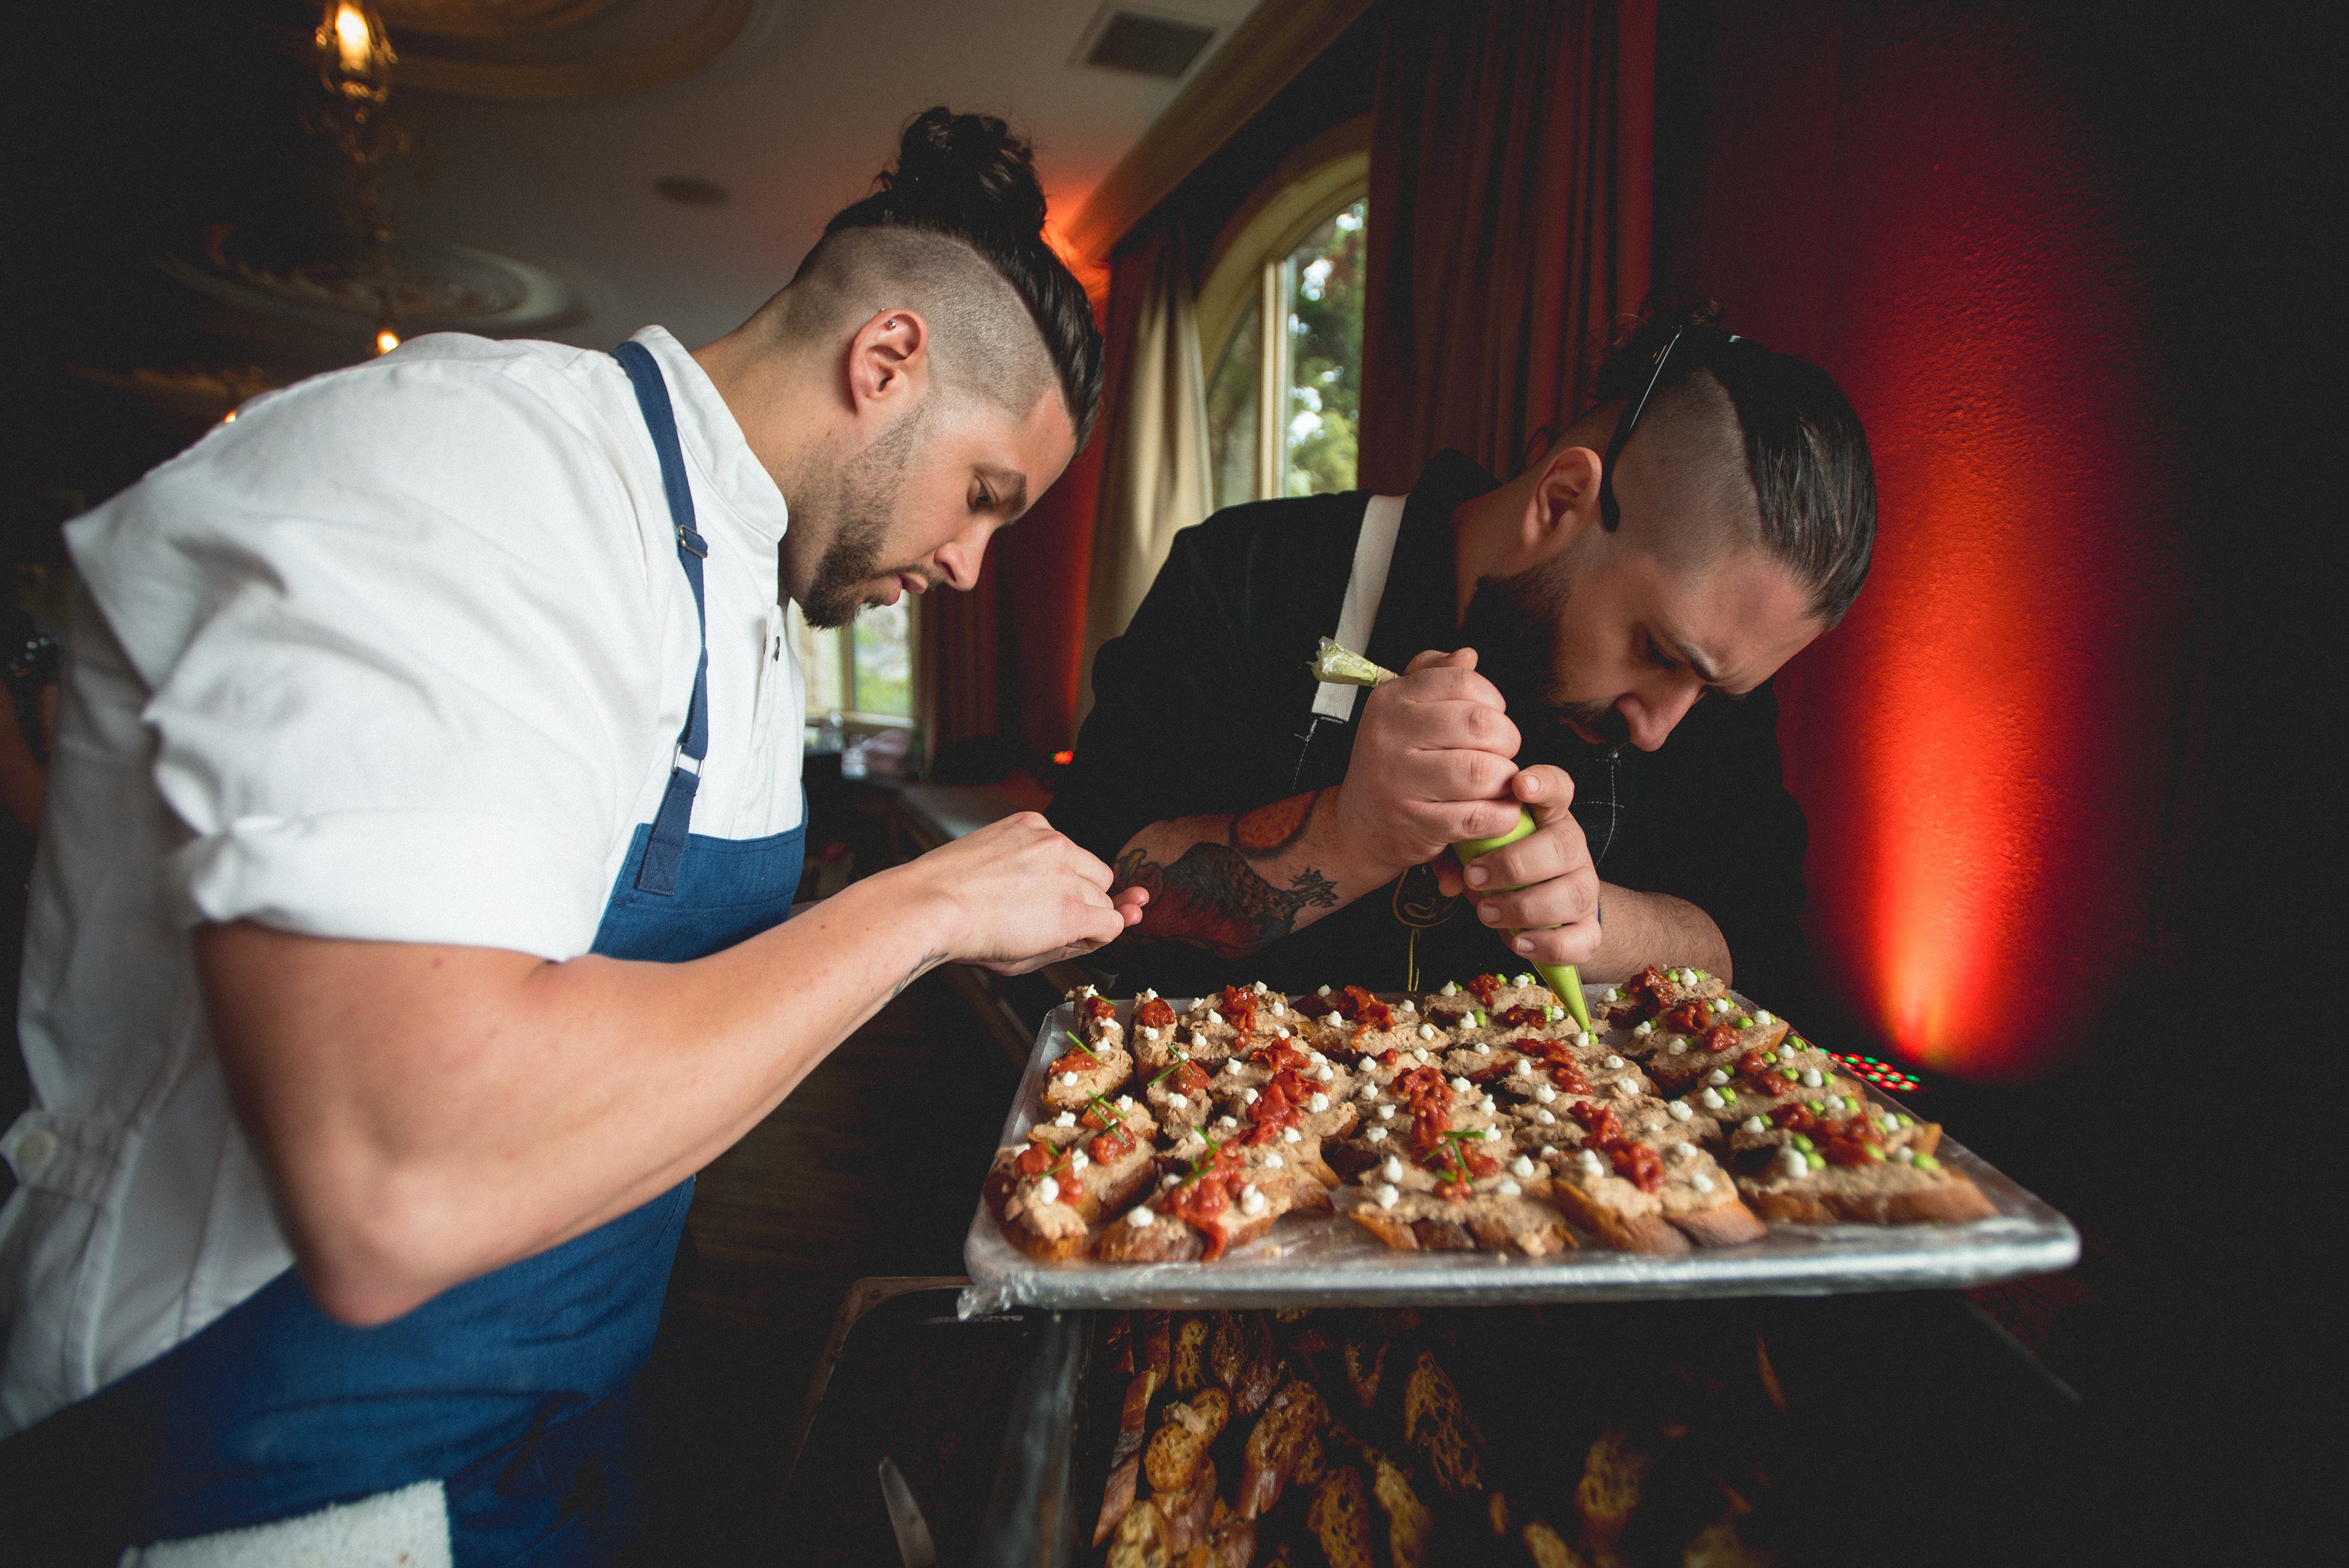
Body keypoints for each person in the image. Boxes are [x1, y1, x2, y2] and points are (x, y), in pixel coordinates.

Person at [0, 109, 1143, 1564]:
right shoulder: (475, 466)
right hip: (270, 1480)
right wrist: (927, 908)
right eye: (984, 495)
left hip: (562, 1430)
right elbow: (399, 1174)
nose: (974, 566)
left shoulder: (746, 592)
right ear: (886, 360)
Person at [1050, 301, 1874, 1006]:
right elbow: (1081, 898)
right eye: (1654, 651)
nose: (1659, 729)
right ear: (1561, 500)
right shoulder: (1250, 572)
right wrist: (1348, 834)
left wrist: (1595, 920)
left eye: (1711, 689)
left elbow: (1756, 950)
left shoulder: (1707, 680)